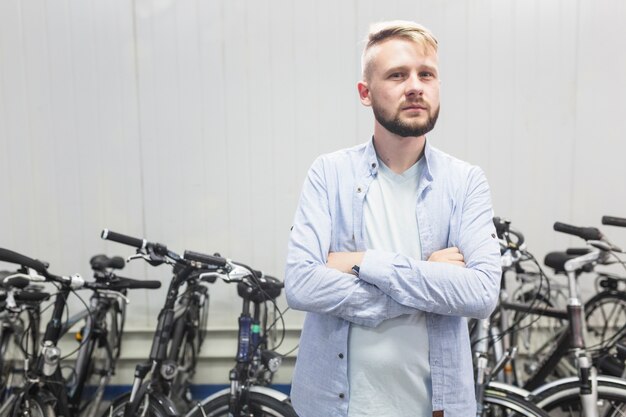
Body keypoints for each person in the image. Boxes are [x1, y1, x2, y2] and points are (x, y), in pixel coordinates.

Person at [284, 20, 501, 417]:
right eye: (397, 75)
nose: (415, 86)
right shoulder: (329, 174)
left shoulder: (465, 182)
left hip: (435, 408)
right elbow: (300, 285)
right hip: (334, 407)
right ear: (365, 93)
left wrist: (365, 262)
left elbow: (481, 293)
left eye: (426, 74)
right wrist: (426, 279)